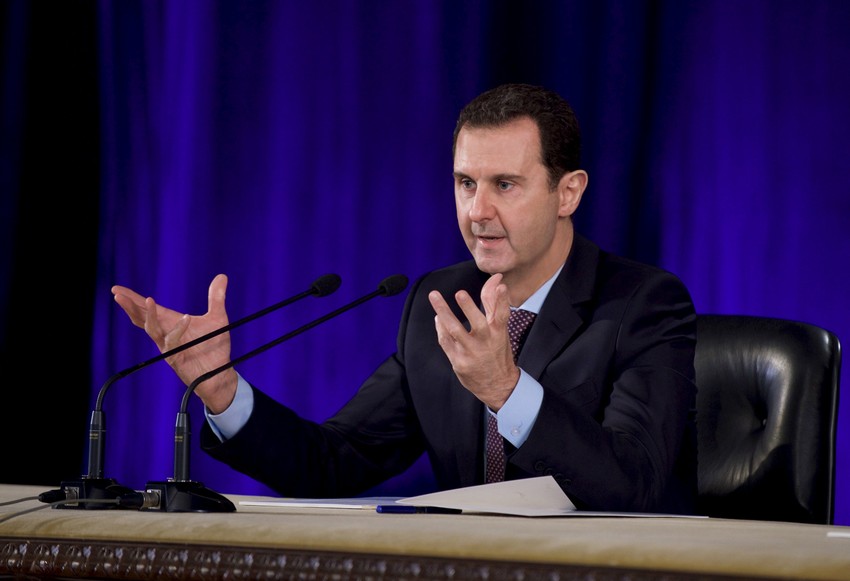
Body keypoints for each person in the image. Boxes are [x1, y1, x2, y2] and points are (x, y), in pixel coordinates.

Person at [112, 83, 698, 514]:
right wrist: (222, 391)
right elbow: (334, 464)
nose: (478, 211)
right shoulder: (438, 301)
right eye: (465, 183)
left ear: (567, 193)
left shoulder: (642, 304)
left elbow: (633, 485)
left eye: (505, 185)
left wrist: (506, 389)